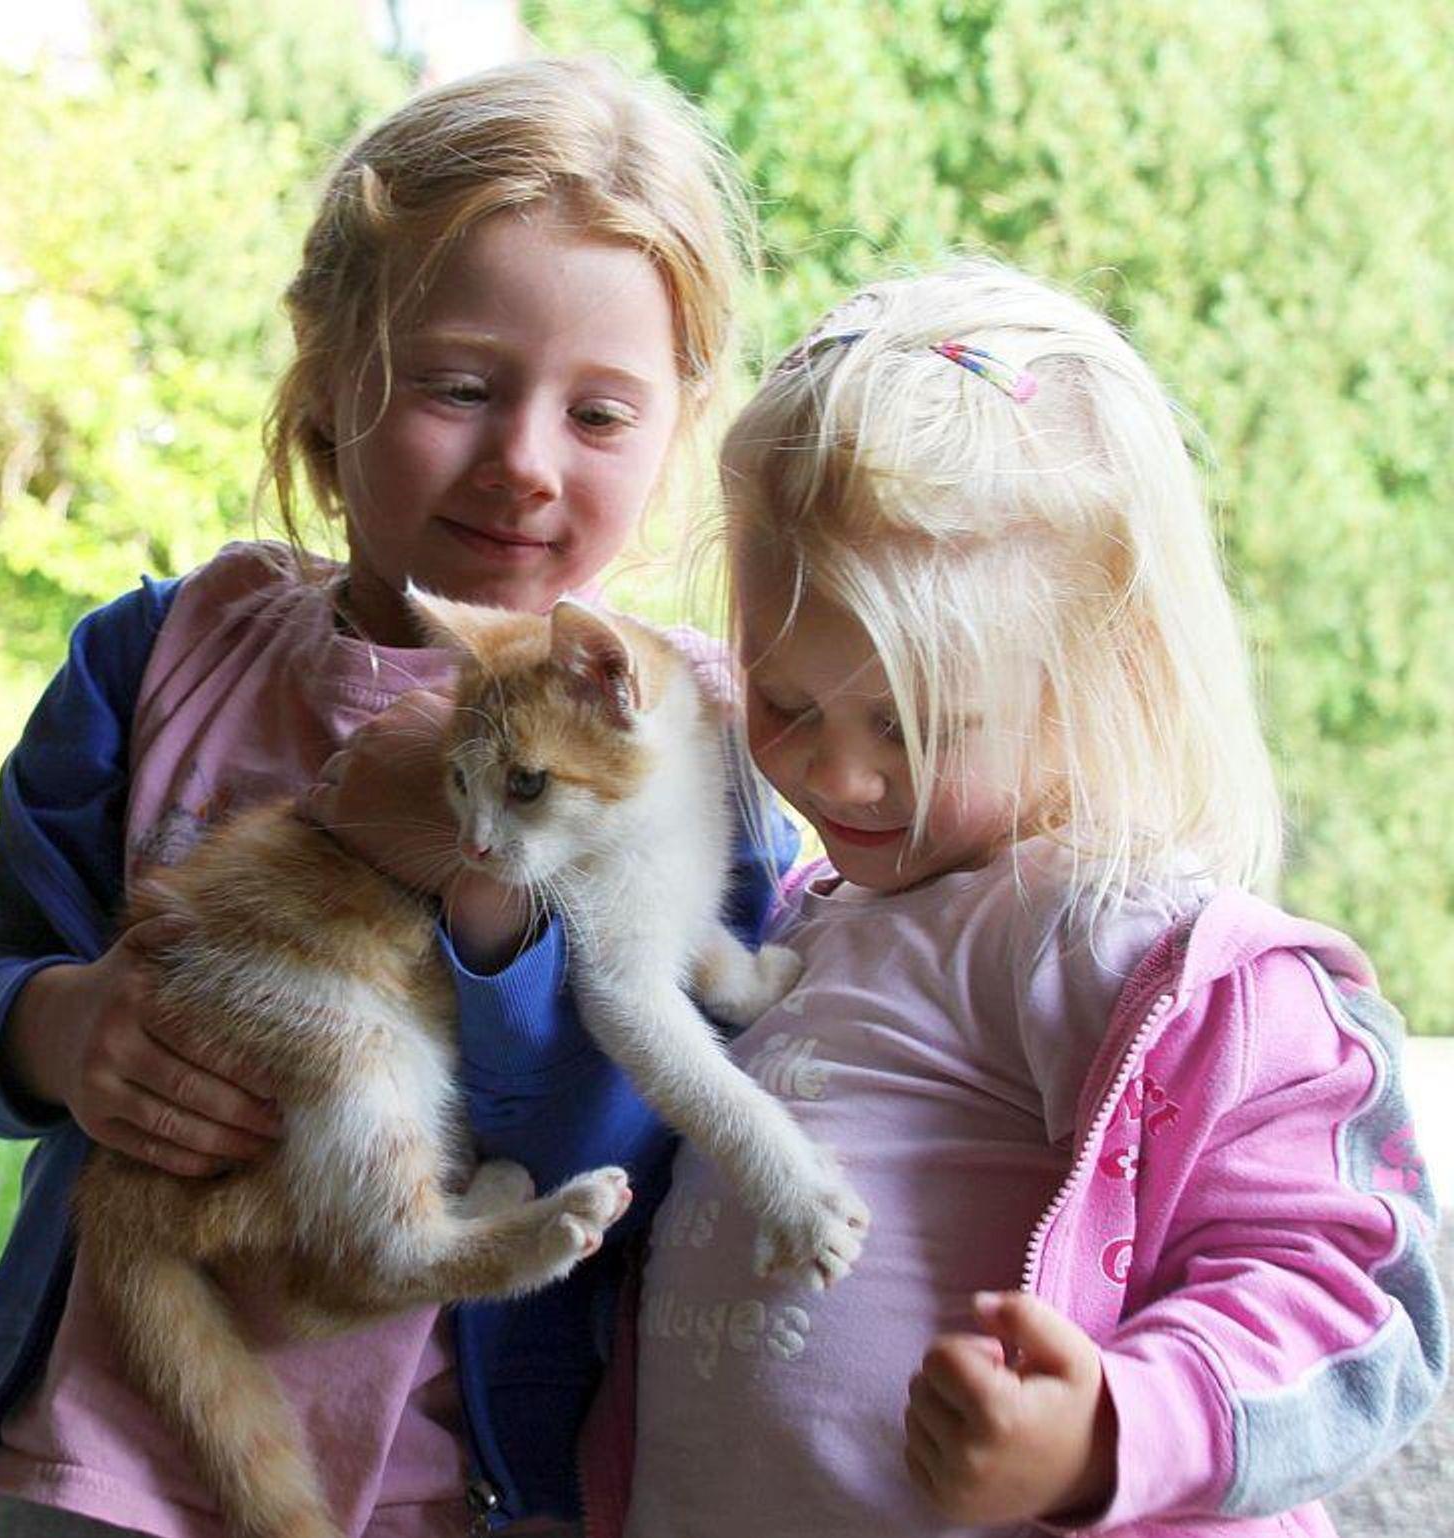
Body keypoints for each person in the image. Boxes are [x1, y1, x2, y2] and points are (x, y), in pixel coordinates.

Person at [0, 57, 794, 1538]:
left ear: (679, 423)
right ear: (329, 370)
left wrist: (482, 906)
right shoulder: (158, 659)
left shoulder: (706, 745)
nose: (521, 463)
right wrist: (55, 1029)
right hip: (123, 1458)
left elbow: (651, 1127)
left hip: (496, 1484)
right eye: (460, 386)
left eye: (598, 414)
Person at [588, 259, 1447, 1537]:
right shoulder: (806, 921)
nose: (837, 771)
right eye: (785, 698)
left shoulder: (1117, 936)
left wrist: (1109, 1427)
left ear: (1096, 673)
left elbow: (1352, 1291)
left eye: (916, 723)